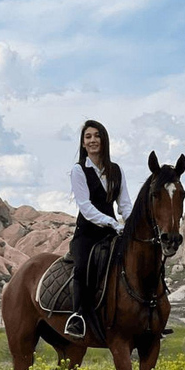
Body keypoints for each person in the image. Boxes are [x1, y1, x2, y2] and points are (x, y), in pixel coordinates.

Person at [65, 119, 132, 338]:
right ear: (83, 144)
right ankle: (78, 317)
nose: (93, 140)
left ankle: (146, 316)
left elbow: (124, 205)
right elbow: (86, 207)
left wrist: (131, 225)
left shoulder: (116, 170)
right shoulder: (79, 171)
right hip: (87, 233)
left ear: (104, 140)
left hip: (112, 234)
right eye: (88, 137)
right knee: (82, 268)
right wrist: (114, 223)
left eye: (96, 136)